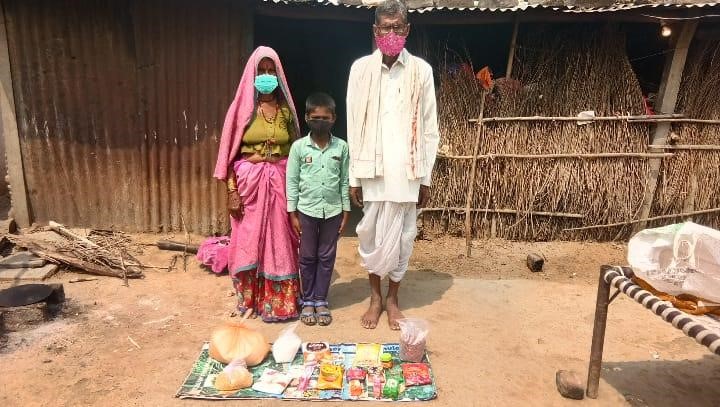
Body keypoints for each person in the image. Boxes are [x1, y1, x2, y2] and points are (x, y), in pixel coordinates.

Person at [346, 0, 440, 330]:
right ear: (375, 30)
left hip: (408, 171)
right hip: (372, 170)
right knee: (370, 236)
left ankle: (393, 299)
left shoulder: (422, 71)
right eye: (385, 27)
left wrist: (426, 177)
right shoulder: (360, 70)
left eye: (397, 27)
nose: (391, 33)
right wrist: (354, 176)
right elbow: (353, 122)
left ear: (407, 30)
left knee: (403, 238)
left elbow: (430, 128)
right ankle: (375, 298)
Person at [214, 46, 301, 322]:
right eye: (261, 71)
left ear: (278, 74)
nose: (266, 76)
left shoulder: (286, 112)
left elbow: (295, 152)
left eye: (270, 70)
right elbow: (229, 156)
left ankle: (278, 302)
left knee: (282, 241)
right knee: (249, 241)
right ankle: (250, 300)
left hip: (279, 183)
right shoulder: (241, 110)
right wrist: (231, 192)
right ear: (252, 74)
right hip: (249, 186)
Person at [286, 92, 350, 326]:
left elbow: (344, 180)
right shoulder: (299, 148)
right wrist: (292, 212)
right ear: (306, 118)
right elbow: (292, 181)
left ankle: (321, 300)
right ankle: (308, 300)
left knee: (326, 257)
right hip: (306, 211)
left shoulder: (341, 147)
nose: (320, 121)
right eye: (316, 117)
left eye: (325, 118)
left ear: (333, 118)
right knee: (307, 257)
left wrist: (346, 210)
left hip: (332, 211)